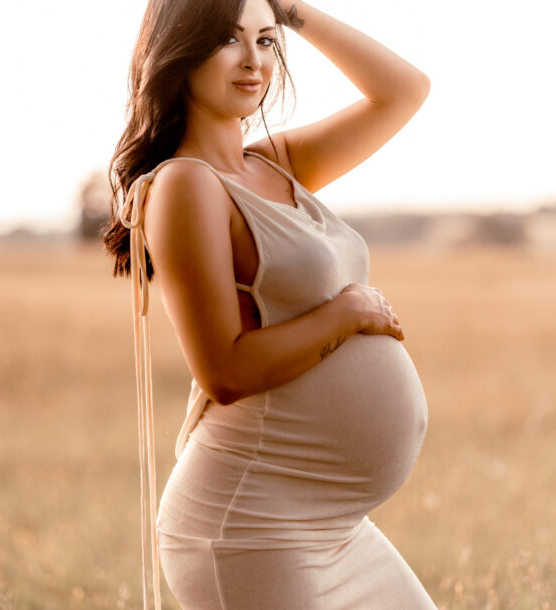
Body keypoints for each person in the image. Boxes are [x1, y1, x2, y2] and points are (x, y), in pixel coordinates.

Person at [103, 0, 435, 607]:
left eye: (266, 40)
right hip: (252, 526)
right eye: (229, 40)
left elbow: (404, 90)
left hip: (331, 527)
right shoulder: (185, 184)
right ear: (180, 50)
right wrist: (345, 315)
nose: (255, 61)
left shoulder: (272, 164)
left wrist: (291, 10)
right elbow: (225, 372)